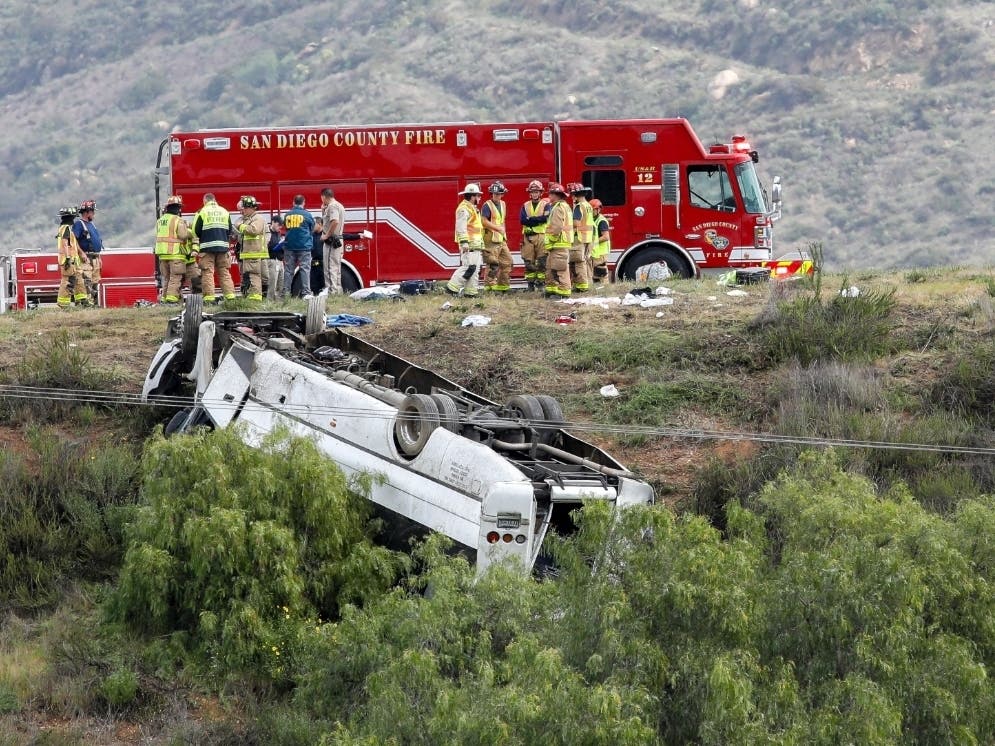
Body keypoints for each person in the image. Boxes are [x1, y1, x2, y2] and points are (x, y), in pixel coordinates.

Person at [193, 193, 236, 303]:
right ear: (214, 200)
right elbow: (229, 230)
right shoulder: (224, 211)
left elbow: (195, 231)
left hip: (207, 248)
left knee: (208, 273)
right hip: (223, 248)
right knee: (224, 272)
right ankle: (230, 297)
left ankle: (209, 299)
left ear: (205, 201)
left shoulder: (202, 212)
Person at [445, 183, 485, 297]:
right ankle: (452, 288)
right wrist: (464, 242)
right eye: (478, 196)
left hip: (476, 245)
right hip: (469, 245)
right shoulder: (464, 209)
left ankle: (471, 293)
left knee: (475, 269)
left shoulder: (472, 208)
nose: (479, 198)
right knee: (468, 267)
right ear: (472, 196)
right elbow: (461, 227)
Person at [154, 195, 193, 303]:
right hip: (175, 254)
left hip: (162, 255)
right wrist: (191, 232)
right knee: (175, 277)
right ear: (178, 208)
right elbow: (183, 235)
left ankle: (164, 298)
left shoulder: (160, 221)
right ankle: (171, 300)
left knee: (167, 278)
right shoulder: (177, 220)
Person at [234, 196, 268, 302]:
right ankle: (256, 298)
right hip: (251, 253)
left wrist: (240, 226)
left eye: (244, 208)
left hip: (253, 253)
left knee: (254, 275)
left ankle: (255, 298)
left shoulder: (257, 218)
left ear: (251, 208)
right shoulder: (249, 218)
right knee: (251, 276)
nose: (243, 211)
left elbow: (254, 230)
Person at [480, 181, 512, 292]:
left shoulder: (503, 204)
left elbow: (501, 221)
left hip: (501, 239)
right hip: (490, 239)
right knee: (493, 264)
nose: (496, 196)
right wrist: (498, 229)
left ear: (502, 194)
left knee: (507, 262)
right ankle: (490, 288)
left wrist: (503, 233)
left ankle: (503, 286)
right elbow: (484, 221)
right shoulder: (487, 205)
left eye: (498, 194)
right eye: (494, 194)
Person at [543, 183, 573, 298]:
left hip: (558, 243)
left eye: (551, 194)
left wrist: (551, 240)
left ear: (556, 195)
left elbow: (556, 228)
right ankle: (552, 290)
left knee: (560, 269)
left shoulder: (558, 208)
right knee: (551, 268)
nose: (549, 196)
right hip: (558, 243)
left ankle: (564, 291)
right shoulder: (564, 206)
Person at [56, 206, 89, 308]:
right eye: (73, 217)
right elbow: (65, 243)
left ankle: (83, 301)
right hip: (68, 260)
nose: (74, 219)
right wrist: (67, 259)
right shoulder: (65, 228)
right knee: (68, 281)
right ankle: (63, 304)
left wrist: (80, 253)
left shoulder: (67, 228)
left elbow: (73, 244)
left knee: (79, 279)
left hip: (74, 260)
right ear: (70, 217)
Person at [282, 194, 314, 299]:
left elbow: (285, 227)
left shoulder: (287, 215)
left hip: (289, 246)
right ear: (303, 203)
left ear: (293, 203)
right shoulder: (307, 214)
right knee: (305, 269)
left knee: (288, 270)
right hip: (304, 247)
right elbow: (312, 228)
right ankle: (306, 293)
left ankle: (286, 293)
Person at [519, 180, 550, 290]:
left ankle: (541, 283)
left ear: (540, 193)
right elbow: (522, 220)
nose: (534, 194)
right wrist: (537, 220)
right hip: (528, 237)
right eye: (533, 192)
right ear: (530, 193)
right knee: (528, 261)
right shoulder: (525, 205)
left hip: (541, 236)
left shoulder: (546, 205)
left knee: (542, 260)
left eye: (537, 192)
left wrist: (530, 219)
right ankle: (530, 285)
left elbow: (545, 218)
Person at [73, 200, 104, 306]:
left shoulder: (92, 225)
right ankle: (85, 304)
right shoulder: (79, 224)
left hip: (95, 258)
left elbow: (96, 241)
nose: (94, 214)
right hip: (86, 259)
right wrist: (81, 253)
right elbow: (73, 241)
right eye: (92, 212)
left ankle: (94, 303)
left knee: (95, 282)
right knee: (87, 281)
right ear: (87, 212)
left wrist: (99, 257)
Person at [319, 187, 345, 294]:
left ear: (324, 196)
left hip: (331, 242)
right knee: (336, 268)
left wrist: (326, 235)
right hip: (338, 240)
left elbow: (335, 221)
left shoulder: (332, 206)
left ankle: (331, 292)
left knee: (330, 268)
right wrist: (323, 211)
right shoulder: (339, 205)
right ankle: (338, 291)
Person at [569, 183, 592, 293]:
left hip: (579, 238)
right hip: (587, 238)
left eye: (573, 195)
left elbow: (576, 223)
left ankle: (581, 286)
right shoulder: (588, 205)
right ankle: (583, 284)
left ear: (576, 195)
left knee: (578, 262)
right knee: (583, 261)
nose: (572, 197)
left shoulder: (579, 206)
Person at [589, 198, 612, 284]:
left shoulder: (601, 221)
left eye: (592, 210)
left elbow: (605, 237)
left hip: (601, 253)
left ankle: (605, 289)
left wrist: (593, 242)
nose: (591, 212)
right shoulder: (592, 219)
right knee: (595, 275)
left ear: (598, 210)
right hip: (596, 252)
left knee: (601, 274)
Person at [265, 214, 285, 301]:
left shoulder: (278, 233)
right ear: (273, 222)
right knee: (272, 284)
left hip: (280, 260)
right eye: (278, 225)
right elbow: (266, 246)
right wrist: (277, 245)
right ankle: (270, 302)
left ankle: (279, 302)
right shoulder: (267, 232)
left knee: (281, 283)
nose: (280, 227)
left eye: (281, 226)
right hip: (272, 260)